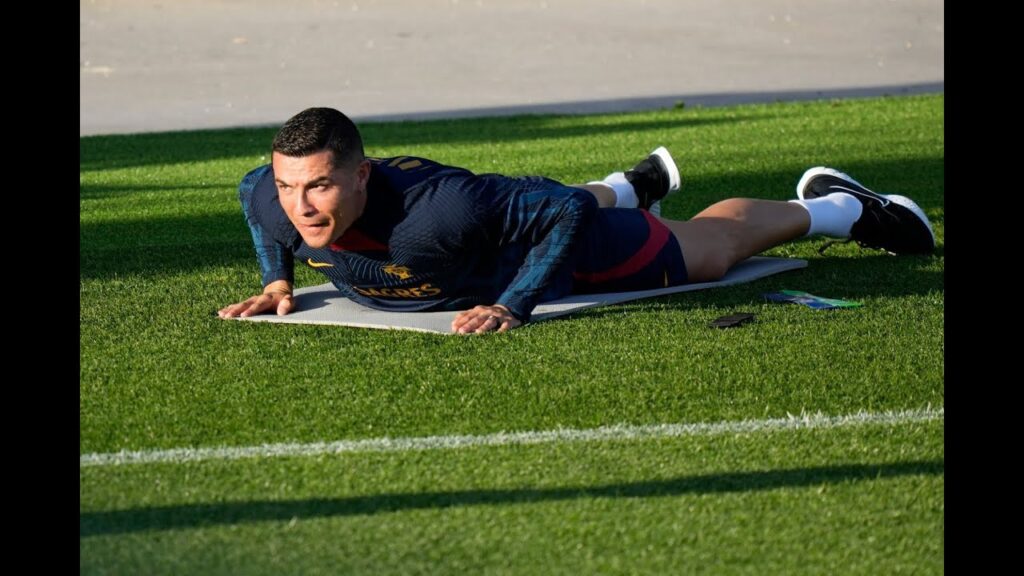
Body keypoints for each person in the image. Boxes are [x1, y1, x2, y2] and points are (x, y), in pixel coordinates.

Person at [218, 107, 935, 334]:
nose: (300, 205)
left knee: (713, 250)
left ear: (361, 174)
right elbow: (262, 200)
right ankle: (630, 185)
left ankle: (838, 206)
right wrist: (277, 281)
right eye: (289, 186)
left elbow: (559, 210)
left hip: (550, 249)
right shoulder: (272, 196)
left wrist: (512, 302)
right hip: (494, 229)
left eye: (318, 187)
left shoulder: (438, 212)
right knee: (538, 204)